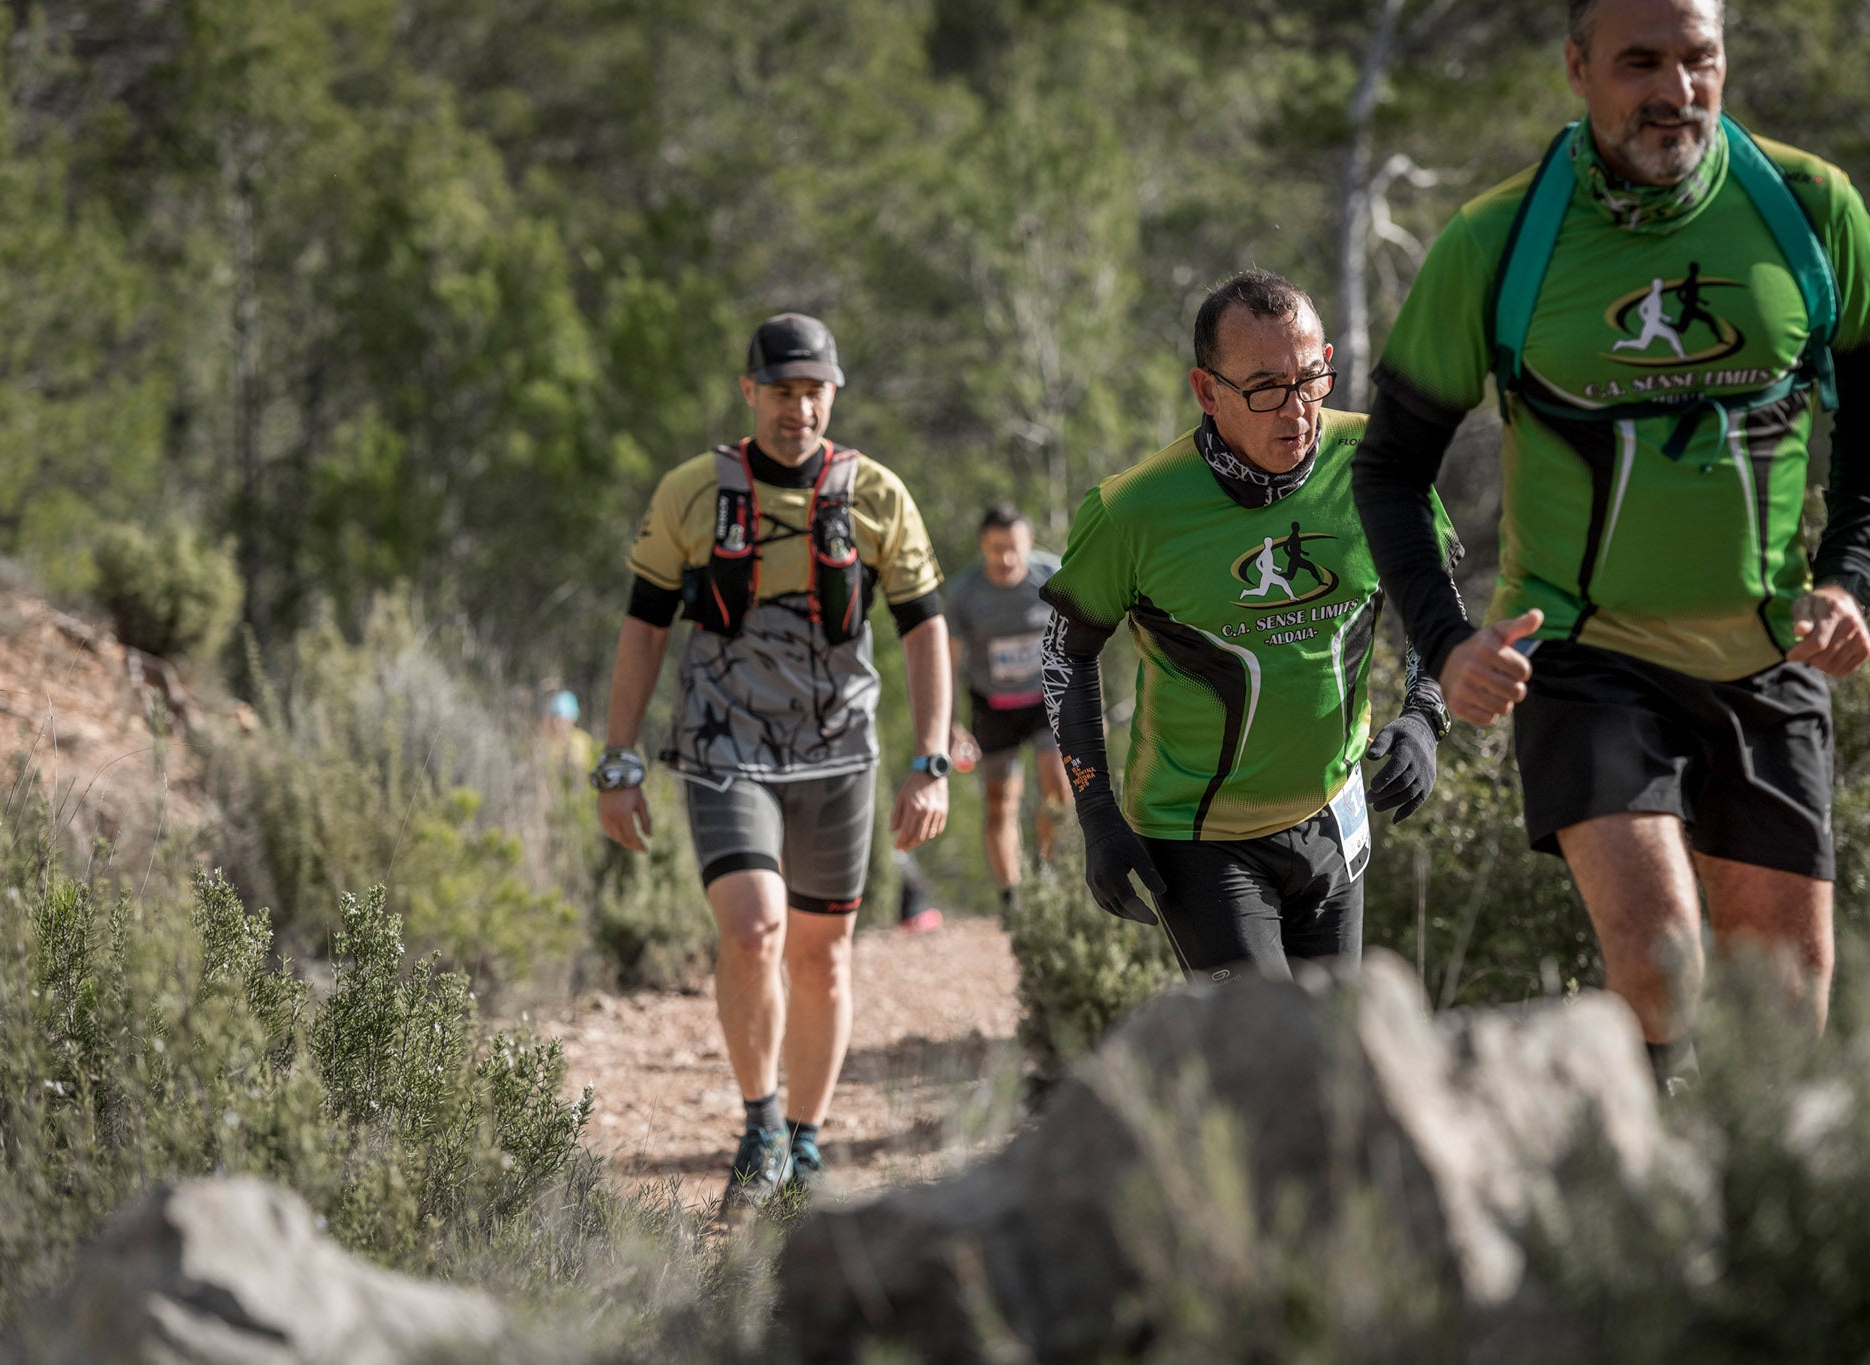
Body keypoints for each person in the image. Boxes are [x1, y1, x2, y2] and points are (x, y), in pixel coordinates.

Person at [1351, 0, 1870, 1088]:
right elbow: (1387, 467)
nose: (1673, 89)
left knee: (1784, 1003)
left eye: (1696, 58)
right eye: (1638, 62)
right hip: (1581, 652)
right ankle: (1643, 1210)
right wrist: (1444, 645)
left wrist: (1848, 576)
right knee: (1660, 963)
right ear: (1577, 68)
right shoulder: (1497, 241)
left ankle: (1737, 1235)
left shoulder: (1805, 207)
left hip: (1766, 654)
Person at [592, 312, 953, 1213]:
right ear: (750, 391)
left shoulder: (875, 495)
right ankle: (759, 1125)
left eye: (814, 391)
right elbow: (643, 628)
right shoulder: (690, 492)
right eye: (782, 390)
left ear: (833, 394)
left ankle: (806, 1138)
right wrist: (618, 758)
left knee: (823, 958)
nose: (799, 408)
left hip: (838, 752)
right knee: (755, 929)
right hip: (723, 746)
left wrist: (932, 759)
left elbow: (924, 629)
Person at [1040, 270, 1459, 982]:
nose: (1295, 410)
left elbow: (1436, 598)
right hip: (1198, 838)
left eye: (1311, 378)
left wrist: (1426, 711)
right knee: (1268, 1056)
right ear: (1207, 391)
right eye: (1265, 387)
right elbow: (1064, 657)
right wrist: (1097, 813)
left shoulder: (1379, 463)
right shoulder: (1132, 510)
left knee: (1332, 1058)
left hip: (1332, 812)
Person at [942, 504, 1073, 912]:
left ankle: (1047, 870)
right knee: (1000, 801)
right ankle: (1011, 896)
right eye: (996, 549)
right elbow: (947, 662)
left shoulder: (1052, 576)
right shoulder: (965, 593)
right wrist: (948, 723)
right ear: (983, 547)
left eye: (1014, 548)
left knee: (1058, 787)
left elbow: (1083, 647)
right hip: (993, 705)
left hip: (1046, 700)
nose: (1006, 559)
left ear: (1028, 543)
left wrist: (1093, 708)